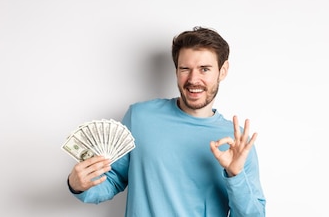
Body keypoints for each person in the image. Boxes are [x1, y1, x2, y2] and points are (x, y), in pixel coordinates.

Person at [67, 26, 266, 216]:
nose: (193, 79)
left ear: (222, 71)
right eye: (185, 68)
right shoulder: (140, 117)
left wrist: (235, 175)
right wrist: (78, 185)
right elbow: (112, 180)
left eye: (204, 69)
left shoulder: (237, 142)